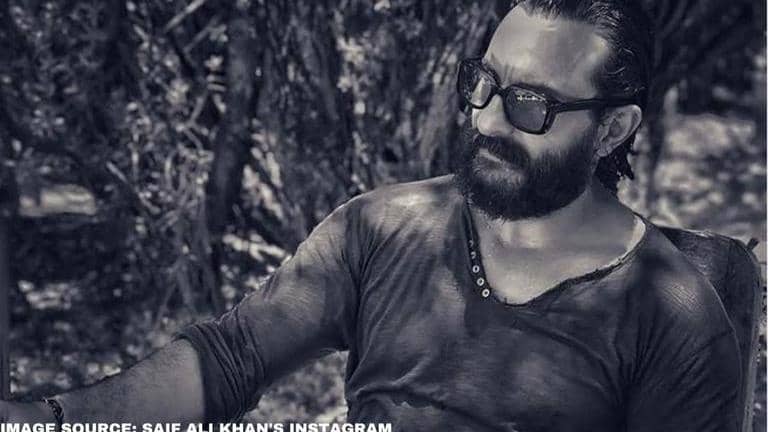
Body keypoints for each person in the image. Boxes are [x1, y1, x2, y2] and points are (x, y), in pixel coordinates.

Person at [3, 1, 742, 431]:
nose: (486, 120)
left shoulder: (674, 317)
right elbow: (229, 360)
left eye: (530, 105)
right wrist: (51, 420)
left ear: (612, 131)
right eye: (483, 84)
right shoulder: (383, 228)